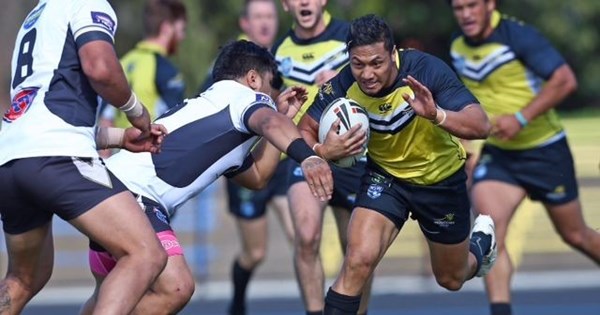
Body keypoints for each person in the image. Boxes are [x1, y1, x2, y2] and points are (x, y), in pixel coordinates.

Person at [80, 39, 334, 315]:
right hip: (134, 195)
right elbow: (270, 122)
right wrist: (308, 155)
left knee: (106, 297)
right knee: (176, 287)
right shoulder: (243, 98)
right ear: (253, 79)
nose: (271, 102)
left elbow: (258, 177)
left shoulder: (218, 115)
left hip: (113, 187)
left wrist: (286, 115)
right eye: (272, 92)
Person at [293, 14, 498, 314]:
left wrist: (437, 115)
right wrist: (321, 149)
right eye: (358, 64)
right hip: (385, 179)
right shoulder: (344, 82)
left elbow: (481, 125)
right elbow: (304, 128)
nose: (366, 74)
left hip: (438, 180)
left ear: (393, 54)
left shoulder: (426, 71)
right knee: (357, 262)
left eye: (376, 63)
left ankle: (480, 247)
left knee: (451, 278)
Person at [0, 1, 169, 314]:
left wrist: (119, 137)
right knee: (146, 254)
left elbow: (46, 111)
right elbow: (100, 68)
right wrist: (136, 111)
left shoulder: (35, 17)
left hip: (11, 158)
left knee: (24, 278)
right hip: (56, 158)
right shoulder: (86, 2)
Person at [448, 1, 600, 315]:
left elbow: (565, 80)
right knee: (490, 232)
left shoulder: (518, 36)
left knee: (575, 234)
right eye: (458, 7)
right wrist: (468, 151)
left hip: (545, 150)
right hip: (500, 156)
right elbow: (471, 104)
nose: (465, 14)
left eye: (472, 5)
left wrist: (521, 117)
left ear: (490, 5)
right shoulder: (458, 47)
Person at [271, 1, 372, 314]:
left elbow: (379, 80)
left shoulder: (350, 36)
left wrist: (345, 77)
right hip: (307, 152)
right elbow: (268, 103)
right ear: (286, 5)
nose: (305, 1)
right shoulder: (278, 50)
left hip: (352, 152)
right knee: (306, 234)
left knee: (357, 249)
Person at [213, 2, 292, 315]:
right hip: (248, 167)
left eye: (270, 16)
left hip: (284, 165)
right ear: (245, 22)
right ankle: (237, 304)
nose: (265, 22)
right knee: (255, 252)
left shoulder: (287, 58)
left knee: (305, 237)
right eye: (258, 16)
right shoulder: (229, 64)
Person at [100, 0, 187, 130]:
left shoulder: (122, 62)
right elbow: (178, 124)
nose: (182, 36)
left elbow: (106, 120)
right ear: (166, 28)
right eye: (181, 30)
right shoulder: (166, 70)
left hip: (121, 147)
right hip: (150, 147)